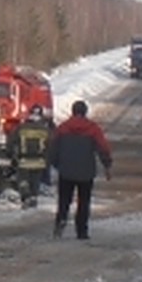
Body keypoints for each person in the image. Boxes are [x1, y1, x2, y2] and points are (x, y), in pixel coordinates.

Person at [48, 99, 112, 240]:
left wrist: (56, 164)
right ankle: (81, 231)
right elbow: (103, 147)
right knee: (84, 201)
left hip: (66, 171)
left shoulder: (63, 128)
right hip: (86, 172)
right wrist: (107, 165)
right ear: (85, 112)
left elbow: (53, 147)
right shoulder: (93, 129)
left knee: (64, 200)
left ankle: (60, 223)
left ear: (73, 111)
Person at [12, 104, 52, 207]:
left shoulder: (21, 128)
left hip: (23, 161)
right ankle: (33, 197)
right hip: (39, 162)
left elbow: (11, 143)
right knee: (35, 182)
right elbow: (50, 146)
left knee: (23, 180)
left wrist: (12, 156)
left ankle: (26, 196)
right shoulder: (45, 130)